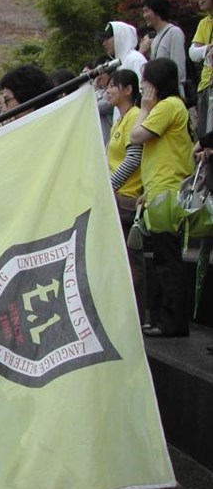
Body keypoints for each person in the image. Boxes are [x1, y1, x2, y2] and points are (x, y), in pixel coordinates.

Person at [130, 58, 194, 338]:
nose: (143, 88)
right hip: (161, 189)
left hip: (166, 192)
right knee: (163, 259)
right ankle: (163, 319)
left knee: (167, 261)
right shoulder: (173, 106)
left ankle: (172, 323)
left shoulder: (167, 106)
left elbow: (136, 135)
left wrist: (144, 108)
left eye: (146, 82)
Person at [104, 69, 144, 321]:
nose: (107, 91)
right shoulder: (119, 121)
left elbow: (133, 159)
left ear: (128, 90)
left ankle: (135, 317)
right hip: (115, 198)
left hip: (126, 199)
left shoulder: (135, 117)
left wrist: (107, 185)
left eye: (112, 86)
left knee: (131, 262)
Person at [139, 0, 187, 100]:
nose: (144, 15)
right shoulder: (155, 39)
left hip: (172, 95)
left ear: (157, 11)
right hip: (158, 95)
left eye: (146, 11)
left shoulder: (174, 32)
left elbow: (179, 69)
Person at [190, 0, 213, 135]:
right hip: (204, 85)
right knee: (203, 135)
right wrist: (207, 49)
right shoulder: (204, 23)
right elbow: (193, 53)